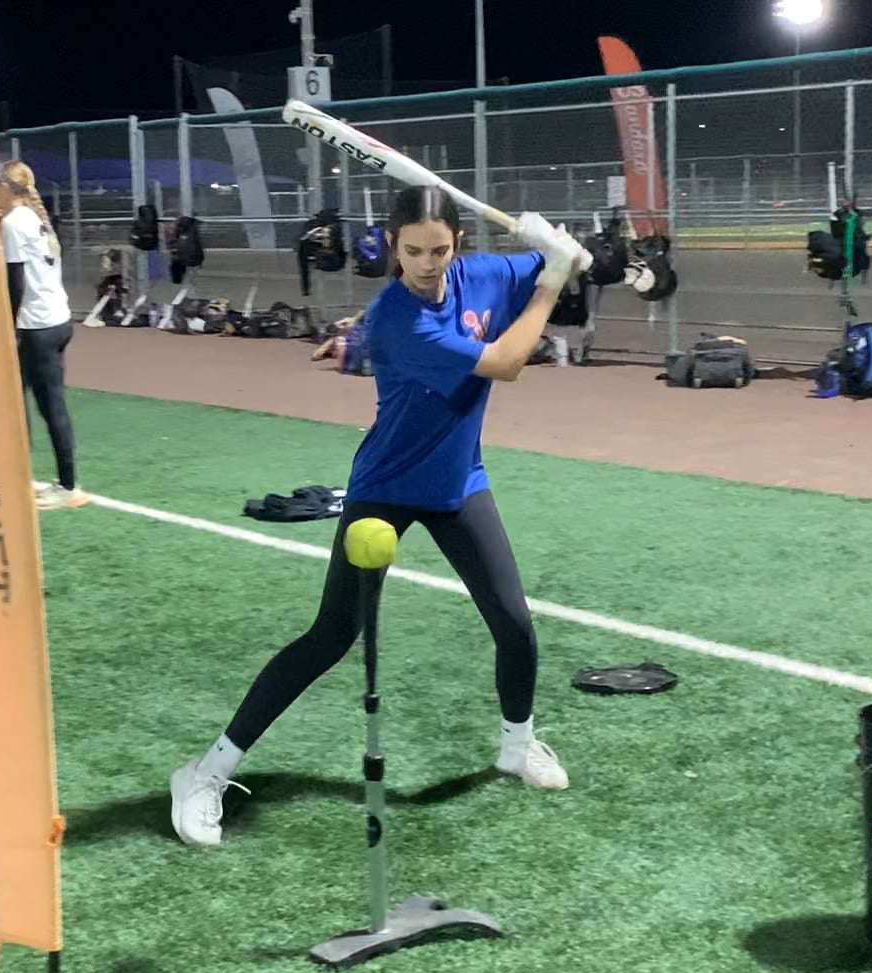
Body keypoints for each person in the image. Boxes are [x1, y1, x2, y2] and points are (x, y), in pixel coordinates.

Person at [168, 187, 585, 847]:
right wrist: (550, 283)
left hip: (459, 483)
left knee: (514, 624)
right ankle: (204, 772)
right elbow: (507, 362)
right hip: (387, 488)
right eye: (412, 250)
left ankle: (518, 744)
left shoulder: (481, 276)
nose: (425, 264)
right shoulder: (395, 316)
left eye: (438, 251)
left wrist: (558, 249)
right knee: (332, 636)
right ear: (393, 245)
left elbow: (565, 264)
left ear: (457, 246)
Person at [0, 160, 84, 510]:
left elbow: (15, 281)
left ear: (5, 186)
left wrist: (7, 323)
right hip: (57, 319)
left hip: (37, 326)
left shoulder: (14, 222)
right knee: (22, 398)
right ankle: (27, 476)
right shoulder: (33, 217)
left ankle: (68, 485)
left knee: (46, 404)